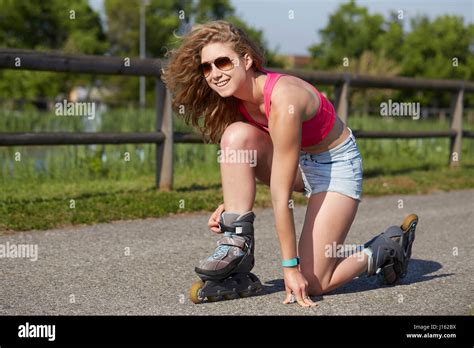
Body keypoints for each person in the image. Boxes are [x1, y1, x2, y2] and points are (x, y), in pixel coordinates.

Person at [162, 20, 417, 307]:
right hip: (297, 162)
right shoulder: (235, 98)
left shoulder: (284, 98)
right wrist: (231, 208)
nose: (214, 74)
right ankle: (236, 245)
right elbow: (245, 156)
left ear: (247, 60)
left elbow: (280, 196)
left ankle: (386, 248)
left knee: (316, 282)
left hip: (334, 167)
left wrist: (290, 268)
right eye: (207, 67)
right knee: (235, 137)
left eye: (222, 62)